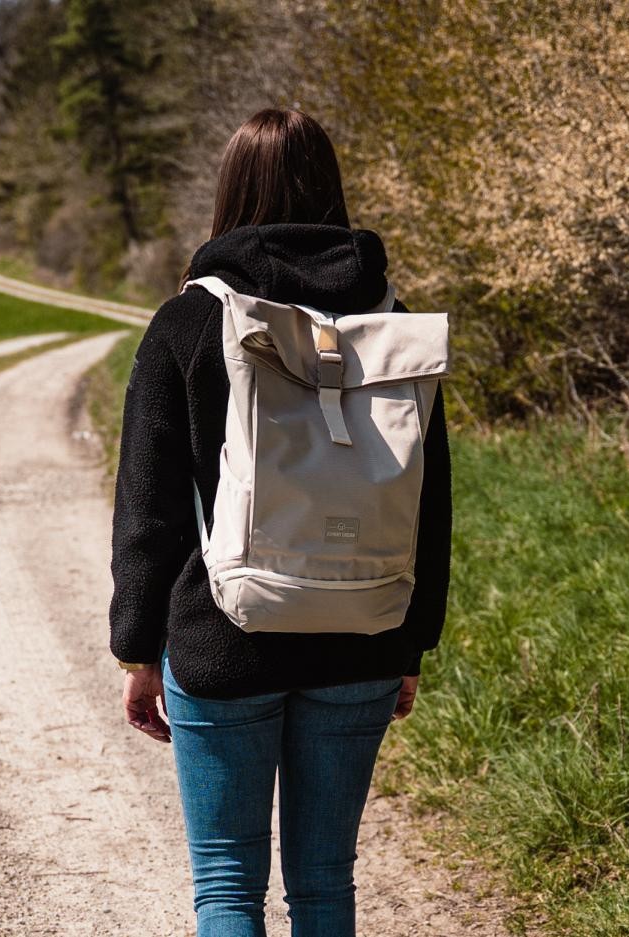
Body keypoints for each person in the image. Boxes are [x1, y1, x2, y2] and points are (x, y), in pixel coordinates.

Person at [108, 108, 452, 937]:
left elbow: (148, 511)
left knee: (227, 885)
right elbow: (428, 500)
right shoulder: (390, 326)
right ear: (330, 192)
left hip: (222, 634)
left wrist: (137, 647)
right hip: (363, 627)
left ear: (231, 192)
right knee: (326, 885)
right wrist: (410, 643)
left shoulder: (185, 323)